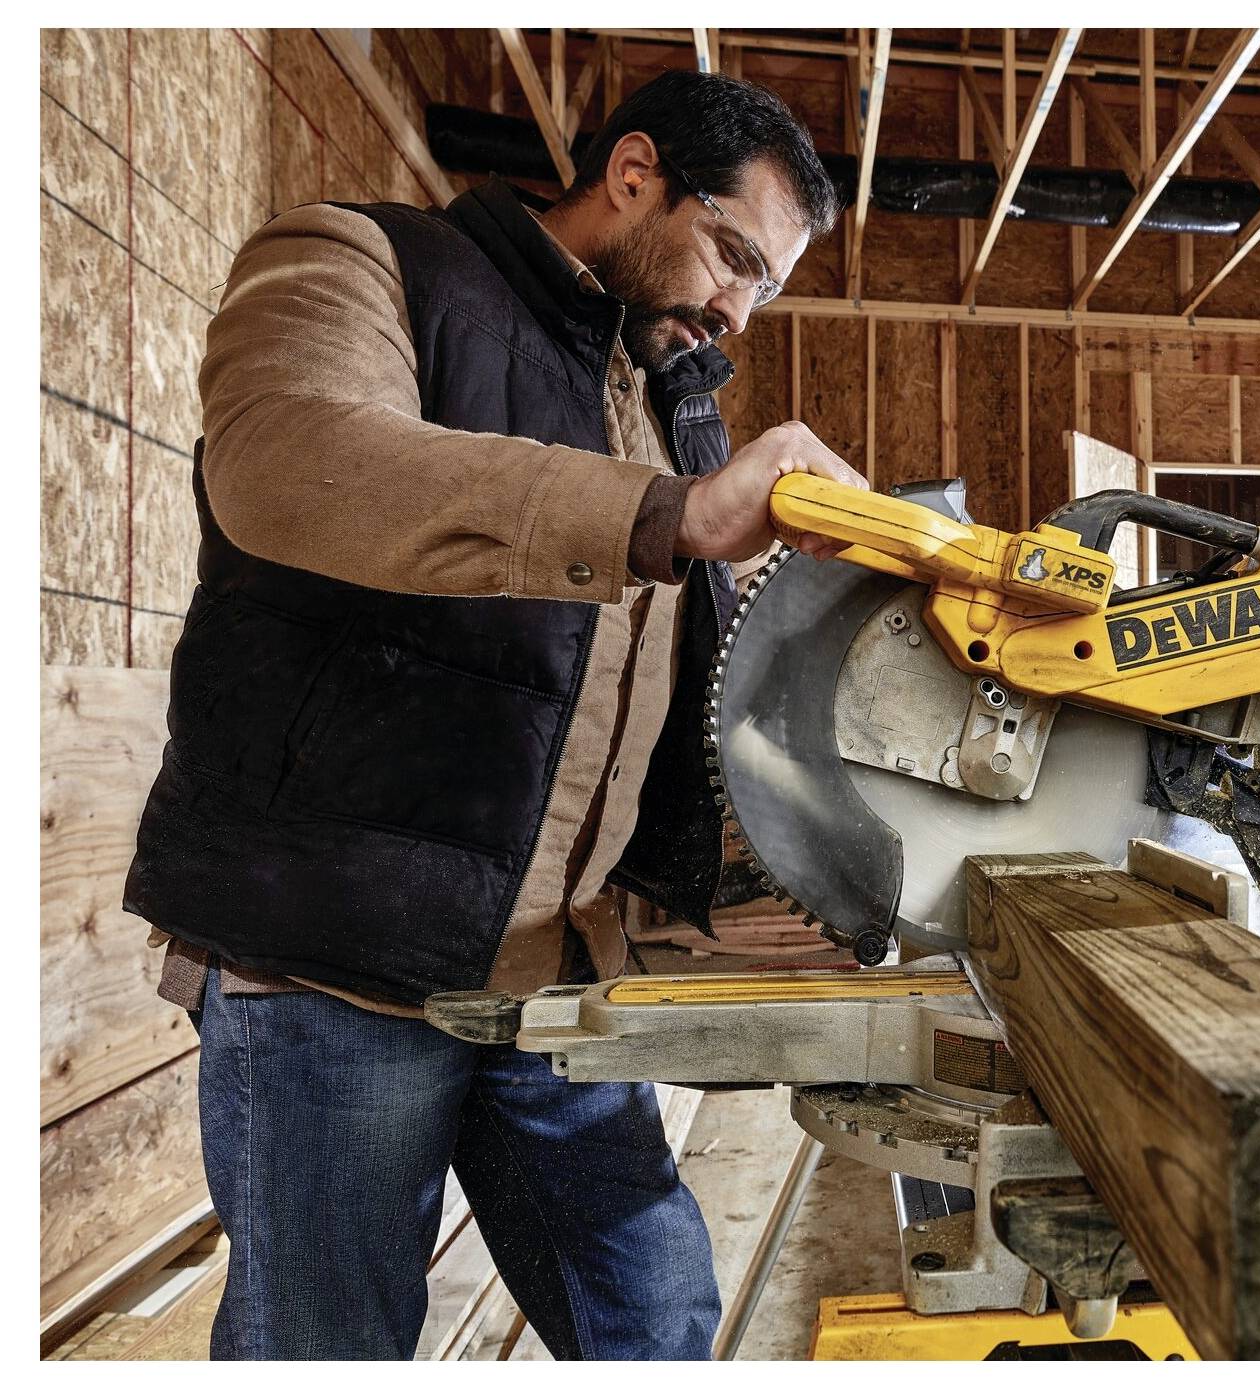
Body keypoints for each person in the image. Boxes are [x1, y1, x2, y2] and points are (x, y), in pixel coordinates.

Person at [122, 69, 867, 1360]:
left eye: (764, 287)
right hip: (331, 970)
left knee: (656, 1317)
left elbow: (654, 705)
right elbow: (285, 459)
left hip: (547, 985)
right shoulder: (361, 260)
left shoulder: (657, 403)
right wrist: (672, 517)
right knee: (325, 1345)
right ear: (632, 176)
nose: (735, 311)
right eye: (733, 255)